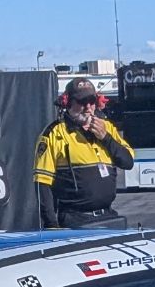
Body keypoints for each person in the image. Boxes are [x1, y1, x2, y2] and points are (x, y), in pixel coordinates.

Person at [35, 78, 136, 228]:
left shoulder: (107, 127)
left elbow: (128, 162)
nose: (88, 107)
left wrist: (105, 138)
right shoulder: (54, 133)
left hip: (108, 215)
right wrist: (51, 225)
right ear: (68, 103)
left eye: (92, 101)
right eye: (82, 101)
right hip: (74, 219)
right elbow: (42, 184)